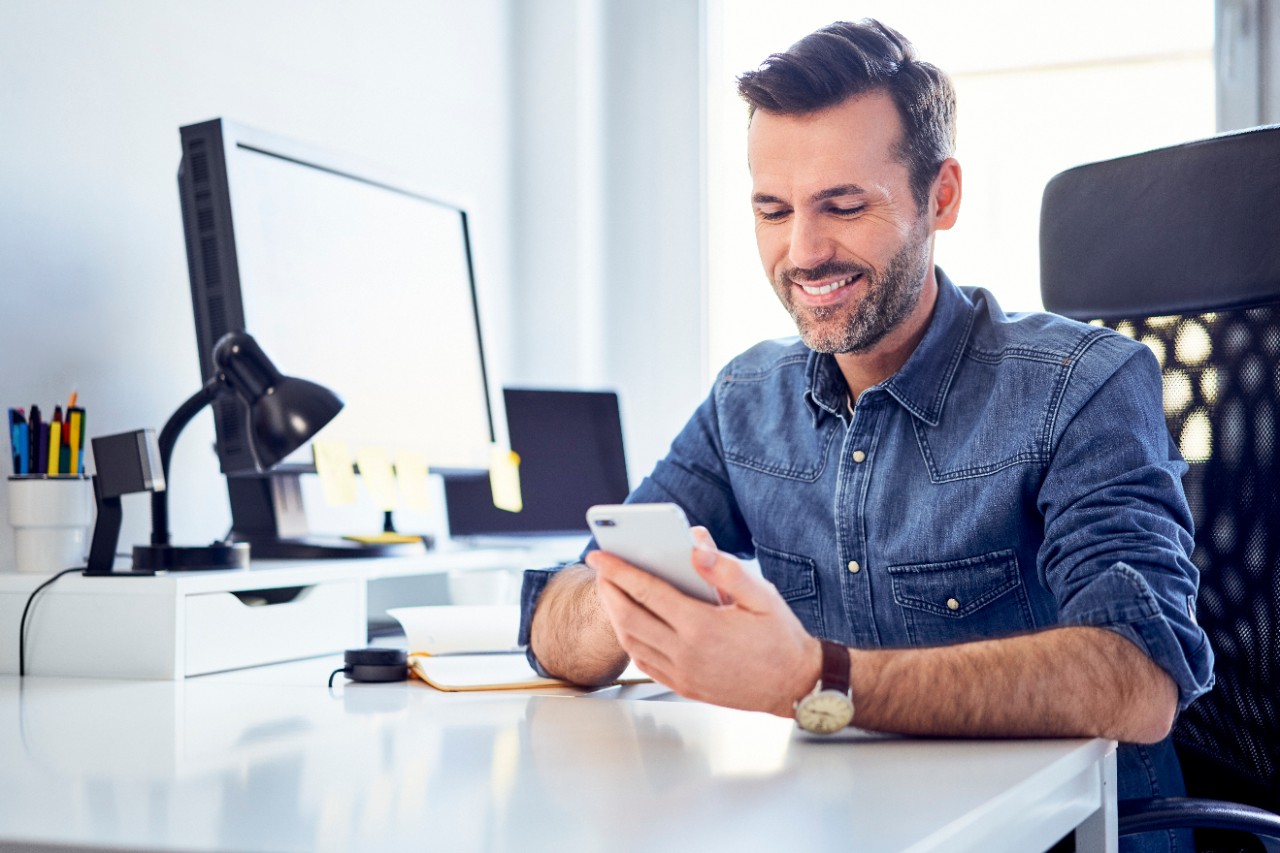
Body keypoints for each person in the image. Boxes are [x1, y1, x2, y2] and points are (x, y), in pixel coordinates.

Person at [518, 19, 1213, 852]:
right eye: (773, 210)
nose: (803, 252)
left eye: (844, 206)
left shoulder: (1083, 384)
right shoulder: (747, 398)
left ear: (941, 196)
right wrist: (626, 610)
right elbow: (557, 611)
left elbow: (1138, 680)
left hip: (1069, 835)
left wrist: (815, 677)